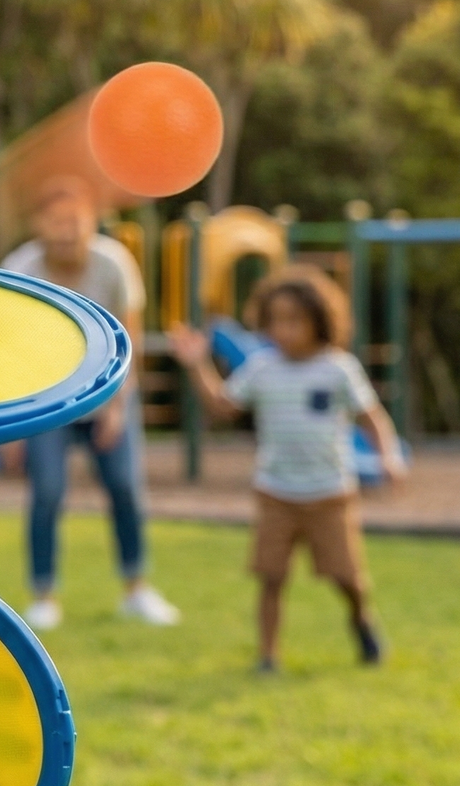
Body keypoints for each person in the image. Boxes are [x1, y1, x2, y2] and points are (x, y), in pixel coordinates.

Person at [171, 265, 404, 672]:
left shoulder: (339, 369)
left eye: (295, 321)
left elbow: (372, 418)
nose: (283, 330)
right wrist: (196, 364)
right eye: (276, 320)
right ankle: (268, 656)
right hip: (276, 492)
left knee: (346, 577)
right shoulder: (262, 368)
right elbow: (223, 406)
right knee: (271, 577)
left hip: (330, 493)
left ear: (320, 321)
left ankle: (361, 619)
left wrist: (389, 456)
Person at [0, 177, 180, 631]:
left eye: (74, 220)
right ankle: (43, 595)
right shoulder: (20, 268)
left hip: (107, 395)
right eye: (55, 220)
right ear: (38, 224)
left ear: (91, 222)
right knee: (47, 493)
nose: (65, 229)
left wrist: (117, 407)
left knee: (124, 488)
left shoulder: (113, 263)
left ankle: (136, 590)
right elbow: (7, 351)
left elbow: (130, 338)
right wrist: (13, 427)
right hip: (44, 403)